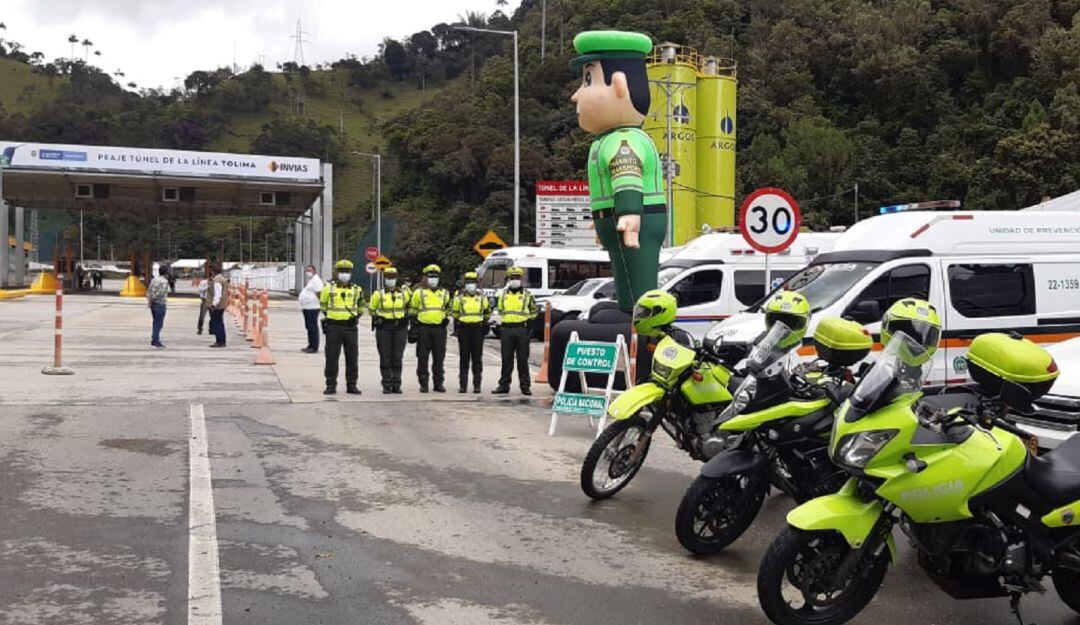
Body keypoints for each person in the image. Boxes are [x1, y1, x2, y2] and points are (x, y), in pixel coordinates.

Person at [570, 31, 666, 311]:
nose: (577, 95)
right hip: (617, 221)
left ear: (619, 85)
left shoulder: (625, 139)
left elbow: (628, 176)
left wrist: (628, 213)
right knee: (623, 273)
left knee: (639, 280)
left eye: (588, 80)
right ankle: (628, 310)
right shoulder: (608, 139)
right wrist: (603, 219)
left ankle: (641, 318)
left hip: (638, 219)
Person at [320, 259, 365, 395]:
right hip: (334, 327)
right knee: (331, 357)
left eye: (347, 271)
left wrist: (356, 317)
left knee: (352, 357)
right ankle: (330, 384)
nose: (344, 274)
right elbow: (323, 305)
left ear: (351, 273)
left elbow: (362, 305)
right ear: (337, 272)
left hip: (350, 328)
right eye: (341, 271)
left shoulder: (357, 289)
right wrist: (332, 316)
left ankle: (352, 385)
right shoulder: (329, 288)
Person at [492, 266, 537, 396]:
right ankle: (504, 385)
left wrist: (530, 321)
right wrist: (499, 325)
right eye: (512, 278)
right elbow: (499, 310)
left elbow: (534, 309)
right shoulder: (503, 295)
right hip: (507, 329)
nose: (514, 280)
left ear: (521, 279)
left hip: (522, 329)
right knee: (506, 360)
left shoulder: (527, 295)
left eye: (517, 278)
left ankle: (525, 386)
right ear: (508, 279)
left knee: (523, 360)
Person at [410, 264, 450, 393]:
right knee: (422, 357)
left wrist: (445, 318)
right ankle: (423, 383)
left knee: (439, 357)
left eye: (435, 276)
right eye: (430, 276)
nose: (433, 279)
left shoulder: (444, 293)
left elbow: (448, 308)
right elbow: (413, 310)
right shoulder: (418, 293)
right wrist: (414, 326)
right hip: (424, 329)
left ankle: (438, 383)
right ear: (425, 278)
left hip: (439, 329)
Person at [369, 266, 410, 394]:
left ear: (396, 279)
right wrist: (378, 317)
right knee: (385, 356)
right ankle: (386, 384)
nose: (390, 280)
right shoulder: (378, 294)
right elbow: (371, 309)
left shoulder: (404, 293)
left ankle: (396, 384)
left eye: (393, 278)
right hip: (384, 328)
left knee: (398, 357)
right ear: (384, 279)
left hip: (400, 328)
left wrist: (406, 316)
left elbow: (411, 306)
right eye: (388, 278)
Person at [451, 271, 491, 393]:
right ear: (465, 284)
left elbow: (487, 313)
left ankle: (477, 385)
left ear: (476, 284)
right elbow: (455, 313)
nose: (470, 285)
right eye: (468, 283)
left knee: (477, 359)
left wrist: (484, 324)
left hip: (478, 329)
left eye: (472, 282)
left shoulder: (482, 298)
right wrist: (457, 327)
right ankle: (463, 385)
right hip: (464, 329)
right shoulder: (460, 298)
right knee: (464, 358)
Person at [298, 264, 324, 353]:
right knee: (309, 326)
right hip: (307, 307)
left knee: (312, 327)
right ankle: (310, 345)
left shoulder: (316, 280)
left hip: (313, 307)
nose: (308, 272)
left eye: (310, 270)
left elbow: (319, 293)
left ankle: (314, 347)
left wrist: (321, 304)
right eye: (307, 270)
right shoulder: (311, 280)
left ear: (314, 271)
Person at [146, 265, 170, 348]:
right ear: (166, 272)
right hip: (160, 303)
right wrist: (153, 298)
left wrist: (149, 300)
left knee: (155, 322)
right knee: (159, 323)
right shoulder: (164, 281)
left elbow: (148, 290)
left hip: (153, 304)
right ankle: (155, 340)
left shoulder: (154, 280)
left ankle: (154, 339)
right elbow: (161, 293)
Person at [207, 264, 230, 348]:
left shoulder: (217, 281)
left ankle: (219, 341)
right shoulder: (222, 279)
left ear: (213, 272)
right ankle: (221, 340)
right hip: (222, 304)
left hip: (217, 305)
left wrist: (214, 305)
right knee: (220, 322)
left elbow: (217, 294)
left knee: (217, 323)